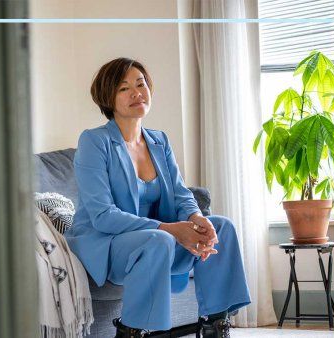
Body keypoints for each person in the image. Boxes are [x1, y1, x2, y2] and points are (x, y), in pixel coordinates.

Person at [63, 58, 251, 338]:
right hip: (106, 243)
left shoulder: (159, 141)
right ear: (108, 98)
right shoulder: (94, 141)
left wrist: (196, 219)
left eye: (141, 84)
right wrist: (171, 229)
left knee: (221, 226)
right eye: (124, 88)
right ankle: (132, 332)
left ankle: (216, 326)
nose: (136, 93)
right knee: (159, 239)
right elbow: (103, 215)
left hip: (154, 241)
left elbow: (180, 194)